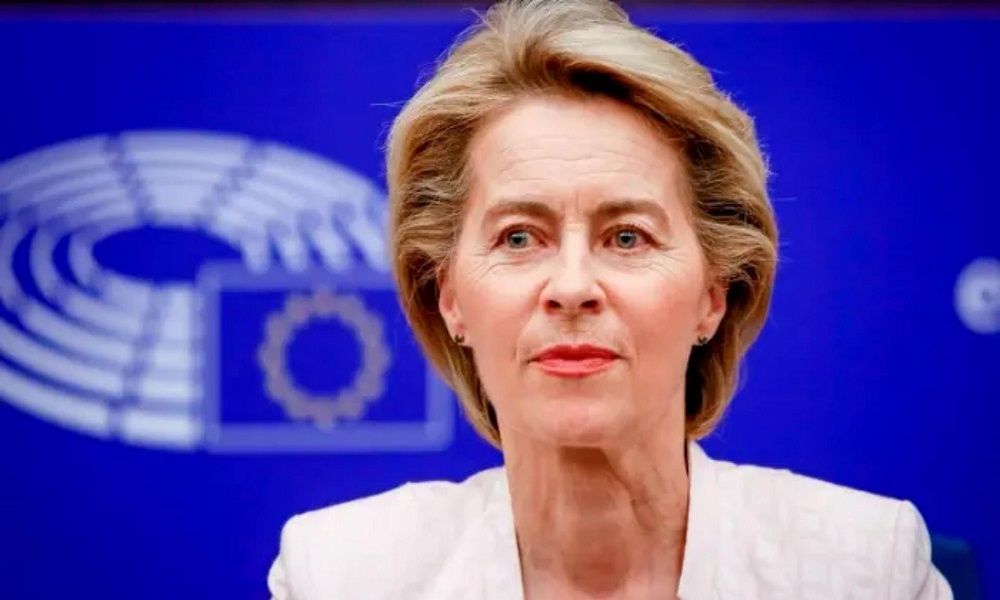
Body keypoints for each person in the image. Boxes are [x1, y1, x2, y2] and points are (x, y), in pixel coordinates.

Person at [267, 0, 953, 597]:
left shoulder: (866, 567)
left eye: (627, 237)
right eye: (518, 237)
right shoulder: (342, 574)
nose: (572, 288)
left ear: (713, 294)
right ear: (447, 295)